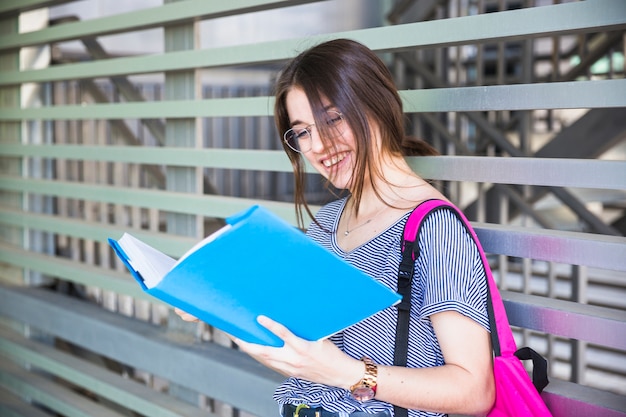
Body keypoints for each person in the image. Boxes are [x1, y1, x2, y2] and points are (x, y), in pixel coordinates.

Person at [176, 38, 495, 417]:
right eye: (303, 131)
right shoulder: (328, 222)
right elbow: (306, 362)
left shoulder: (434, 228)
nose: (318, 146)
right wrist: (214, 302)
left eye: (332, 118)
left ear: (378, 106)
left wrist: (346, 373)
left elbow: (474, 391)